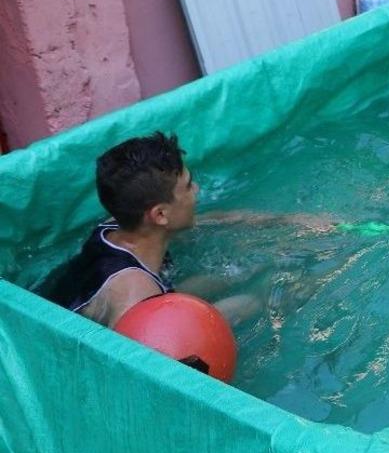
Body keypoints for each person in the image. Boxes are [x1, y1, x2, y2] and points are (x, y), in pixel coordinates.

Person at [36, 131, 326, 329]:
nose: (196, 190)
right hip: (81, 344)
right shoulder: (134, 296)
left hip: (67, 303)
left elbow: (216, 220)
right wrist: (270, 299)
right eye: (188, 186)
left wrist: (289, 221)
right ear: (160, 215)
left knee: (231, 273)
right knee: (250, 302)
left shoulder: (122, 224)